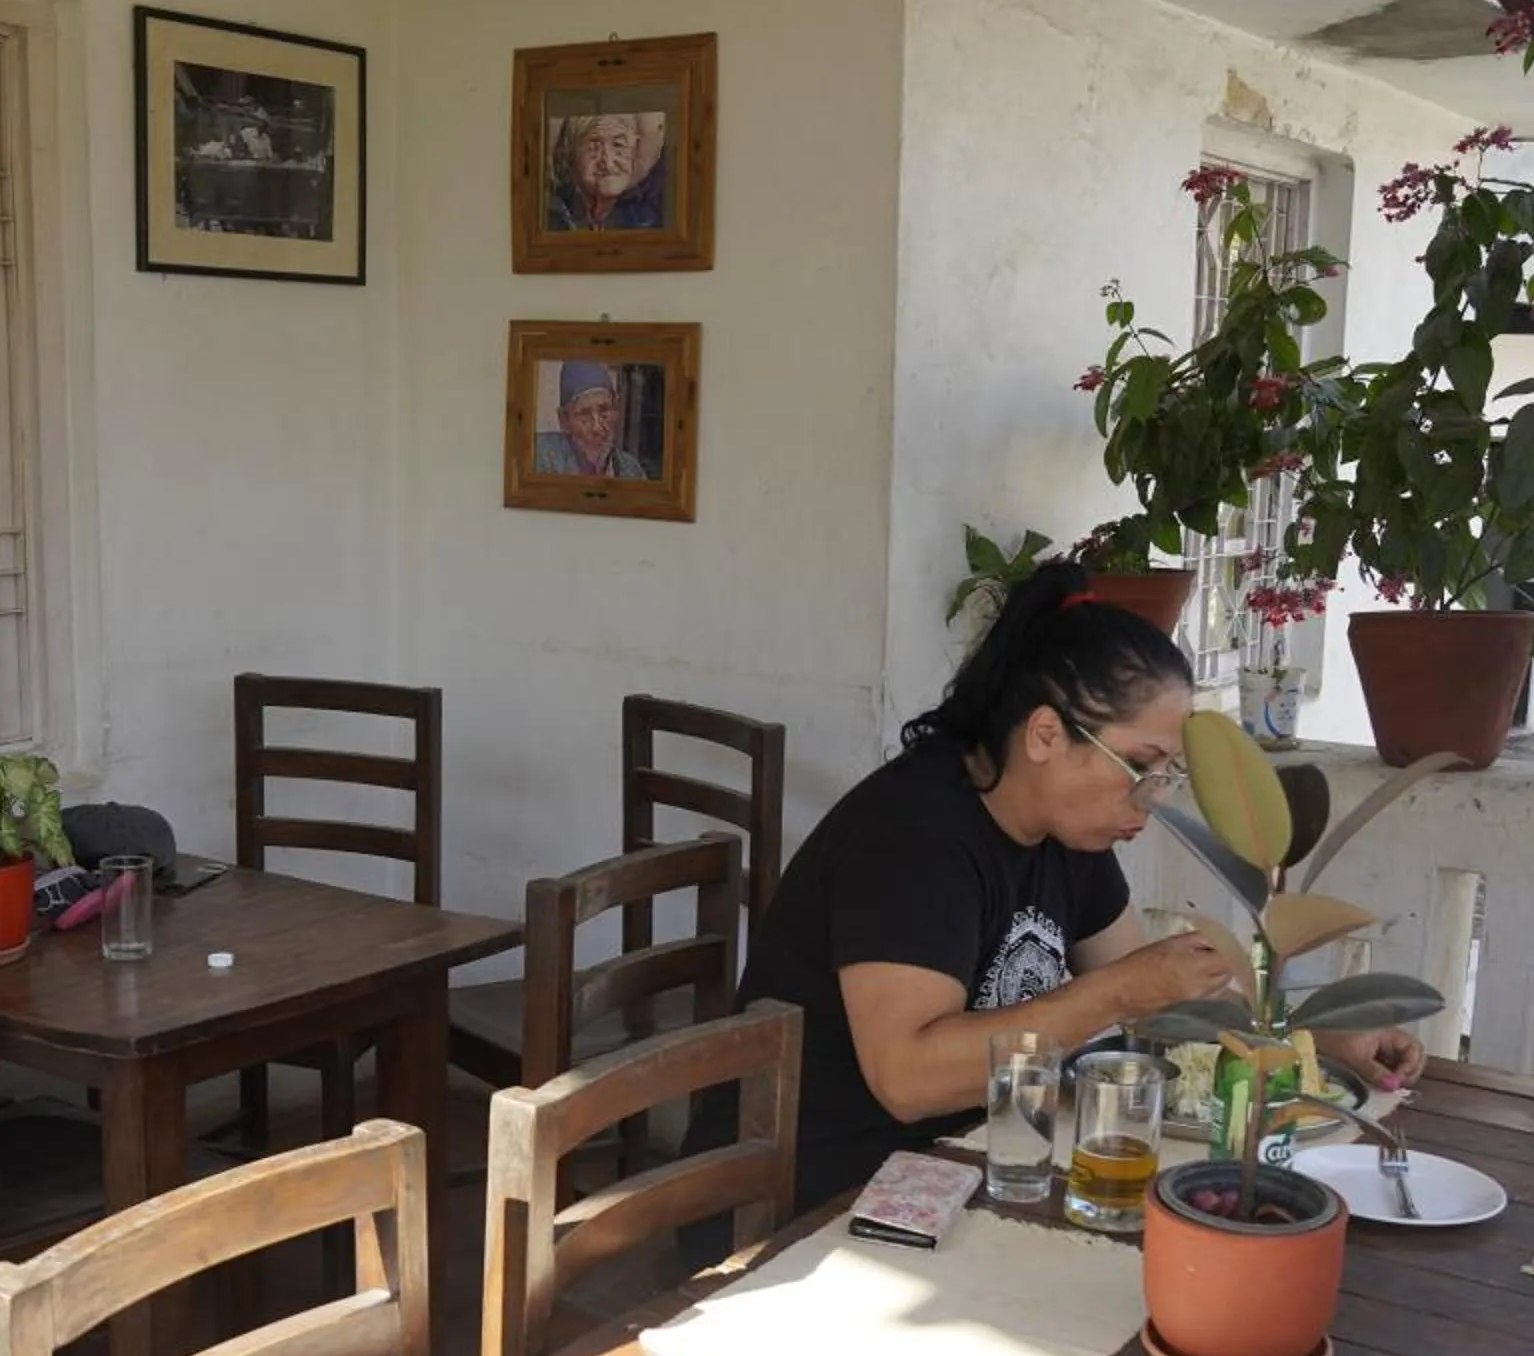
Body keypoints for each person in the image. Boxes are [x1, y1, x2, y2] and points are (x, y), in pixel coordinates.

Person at [730, 561, 1426, 1213]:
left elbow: (1160, 1003)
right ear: (1044, 735)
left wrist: (1318, 1040)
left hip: (968, 1163)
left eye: (1167, 773)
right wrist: (1123, 990)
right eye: (1140, 765)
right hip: (819, 1196)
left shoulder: (1068, 832)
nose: (1152, 799)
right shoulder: (912, 837)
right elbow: (908, 1079)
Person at [545, 110, 670, 232]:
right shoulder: (551, 213)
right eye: (593, 147)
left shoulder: (650, 216)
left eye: (619, 145)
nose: (608, 162)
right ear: (571, 155)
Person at [531, 360, 654, 478]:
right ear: (564, 421)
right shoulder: (537, 457)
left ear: (616, 410)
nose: (597, 428)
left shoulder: (631, 471)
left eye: (604, 410)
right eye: (584, 414)